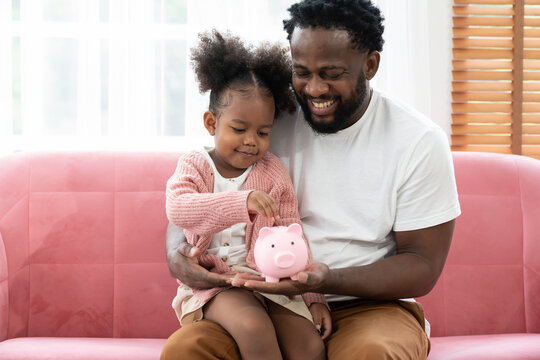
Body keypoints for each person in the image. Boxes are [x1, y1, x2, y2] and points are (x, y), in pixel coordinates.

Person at [161, 0, 461, 359]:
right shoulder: (266, 119)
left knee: (371, 353)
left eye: (331, 73)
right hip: (259, 297)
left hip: (371, 307)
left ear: (370, 64)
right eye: (302, 71)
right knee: (188, 351)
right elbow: (196, 188)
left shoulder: (418, 142)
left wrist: (323, 282)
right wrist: (176, 253)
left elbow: (422, 267)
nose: (314, 89)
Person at [165, 30, 329, 360]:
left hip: (266, 279)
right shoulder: (195, 165)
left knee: (309, 346)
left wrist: (314, 298)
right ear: (212, 123)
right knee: (253, 327)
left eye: (263, 132)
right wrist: (244, 202)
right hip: (216, 282)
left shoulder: (272, 173)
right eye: (239, 129)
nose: (251, 140)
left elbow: (292, 236)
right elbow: (179, 208)